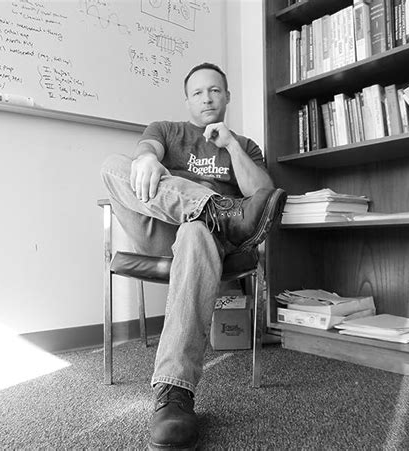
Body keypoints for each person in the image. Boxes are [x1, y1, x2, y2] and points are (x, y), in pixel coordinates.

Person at [100, 62, 286, 450]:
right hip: (159, 228)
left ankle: (174, 393)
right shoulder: (167, 130)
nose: (207, 98)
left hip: (205, 241)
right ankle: (217, 209)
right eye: (198, 92)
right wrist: (146, 159)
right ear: (187, 100)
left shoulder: (245, 145)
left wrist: (231, 145)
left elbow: (263, 194)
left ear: (227, 96)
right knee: (113, 166)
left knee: (196, 230)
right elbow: (146, 150)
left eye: (215, 90)